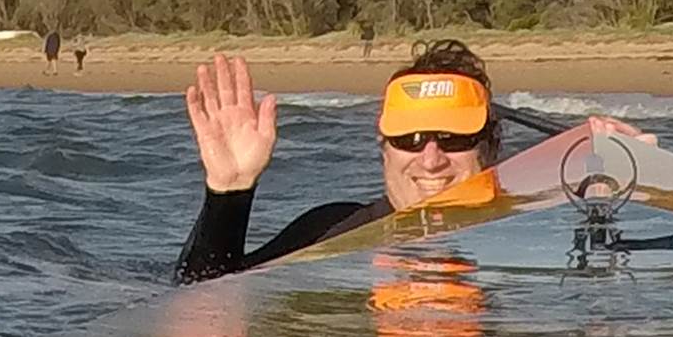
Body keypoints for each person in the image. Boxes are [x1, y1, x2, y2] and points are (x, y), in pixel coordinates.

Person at [174, 41, 503, 284]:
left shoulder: (526, 230)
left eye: (453, 138)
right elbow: (200, 294)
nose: (431, 161)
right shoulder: (331, 231)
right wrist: (229, 193)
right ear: (384, 147)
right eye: (409, 139)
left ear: (491, 146)